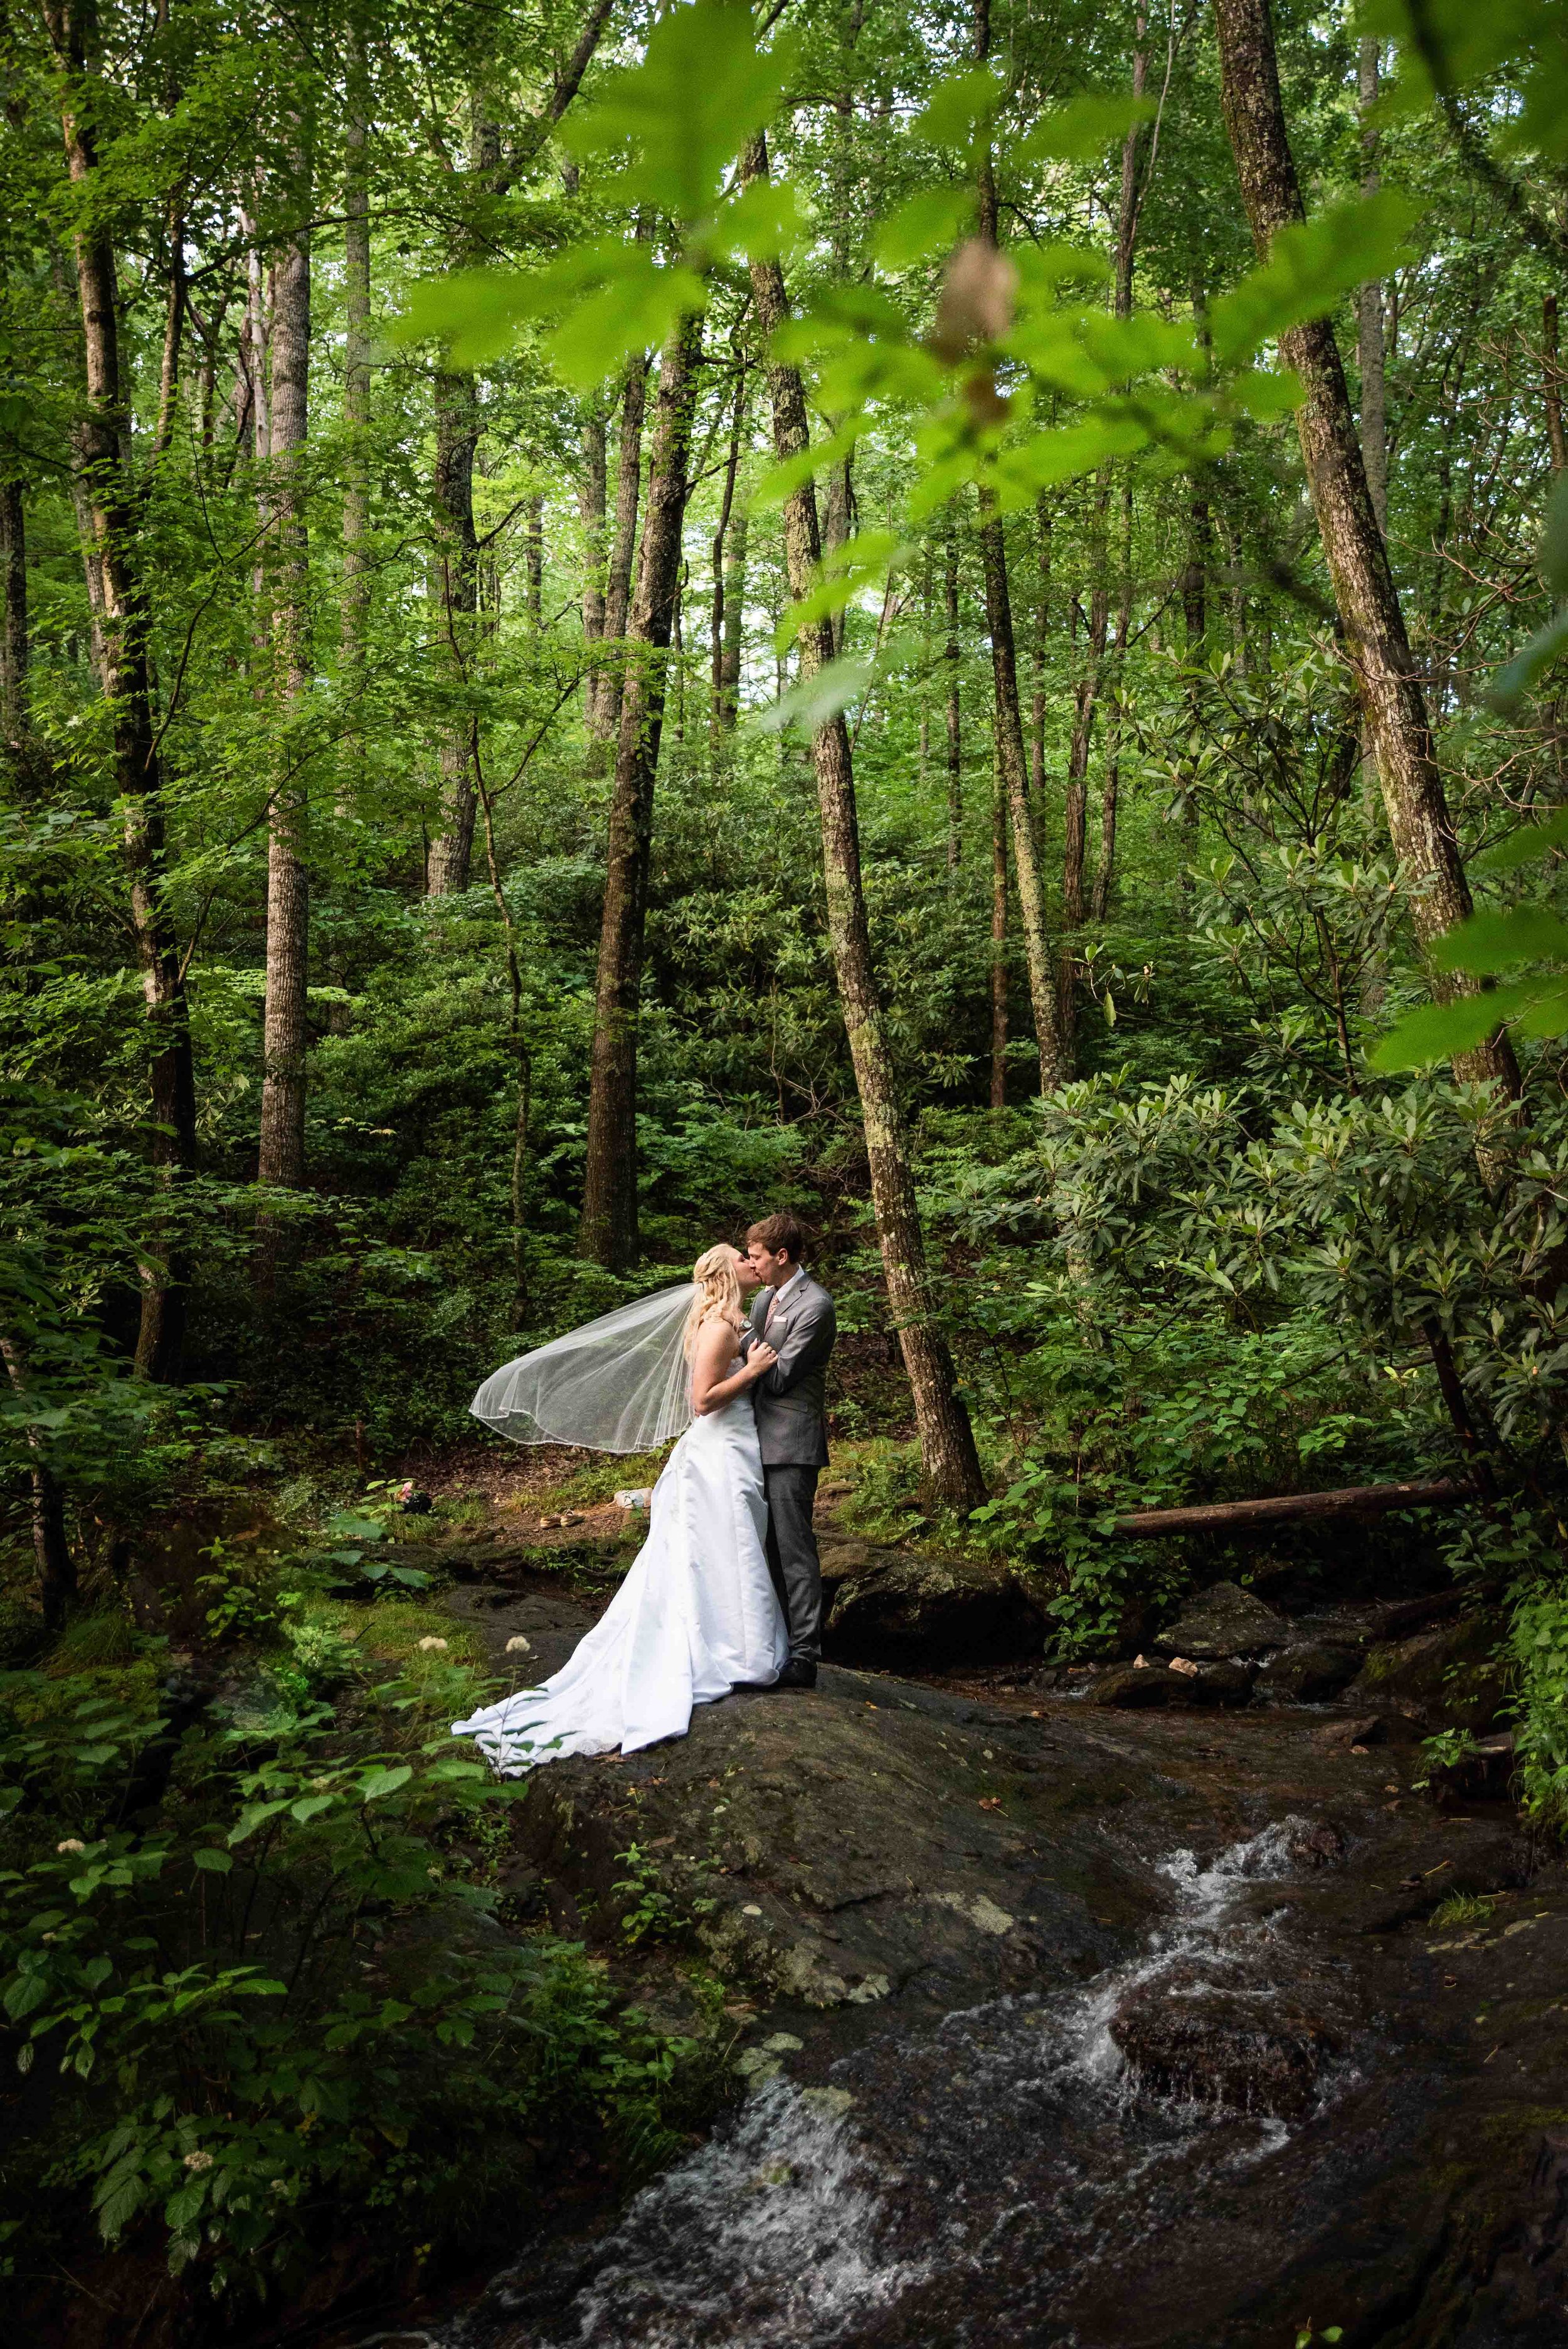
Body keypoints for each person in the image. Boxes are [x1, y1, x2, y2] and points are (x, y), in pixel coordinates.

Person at [450, 1245, 789, 1771]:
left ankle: (740, 1643)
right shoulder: (720, 1327)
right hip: (720, 1448)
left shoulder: (731, 1318)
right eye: (742, 1258)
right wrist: (754, 1371)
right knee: (723, 1543)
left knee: (729, 1544)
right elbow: (702, 1400)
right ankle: (733, 1649)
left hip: (735, 1444)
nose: (751, 1262)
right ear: (727, 1272)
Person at [741, 1212, 837, 1691]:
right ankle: (774, 1643)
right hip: (753, 1441)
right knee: (763, 1549)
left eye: (757, 1256)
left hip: (791, 1446)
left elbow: (778, 1377)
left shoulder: (815, 1305)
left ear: (782, 1256)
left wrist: (736, 1334)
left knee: (794, 1551)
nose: (751, 1264)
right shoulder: (763, 1298)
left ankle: (805, 1654)